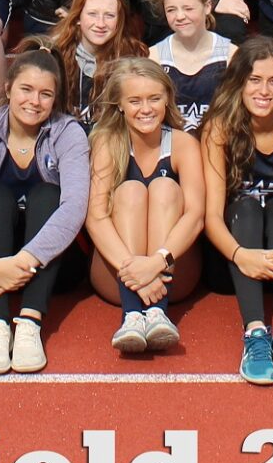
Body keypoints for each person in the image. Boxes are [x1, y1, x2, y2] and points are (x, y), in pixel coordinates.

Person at [0, 48, 94, 375]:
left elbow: (74, 208)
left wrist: (21, 263)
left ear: (55, 99)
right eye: (26, 90)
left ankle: (29, 323)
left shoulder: (68, 133)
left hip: (52, 264)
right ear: (8, 88)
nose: (35, 101)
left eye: (46, 94)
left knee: (48, 194)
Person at [201, 38, 273, 386]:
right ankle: (254, 333)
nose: (264, 90)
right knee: (247, 208)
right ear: (239, 81)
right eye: (255, 80)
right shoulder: (220, 127)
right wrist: (241, 256)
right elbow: (211, 216)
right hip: (234, 253)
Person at [86, 58, 206, 354]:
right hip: (118, 275)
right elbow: (96, 217)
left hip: (171, 274)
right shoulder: (107, 142)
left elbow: (195, 216)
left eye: (154, 99)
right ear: (120, 105)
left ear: (167, 100)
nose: (146, 108)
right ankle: (131, 316)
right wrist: (136, 273)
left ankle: (157, 314)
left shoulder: (182, 143)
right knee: (130, 191)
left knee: (165, 187)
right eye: (135, 100)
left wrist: (155, 263)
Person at [44, 0, 148, 127]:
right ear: (78, 17)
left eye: (109, 16)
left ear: (120, 20)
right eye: (92, 14)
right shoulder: (55, 52)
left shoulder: (135, 55)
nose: (100, 24)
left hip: (113, 138)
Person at [148, 0, 237, 132]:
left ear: (208, 6)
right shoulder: (154, 58)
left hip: (220, 146)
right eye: (171, 10)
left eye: (188, 8)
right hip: (173, 149)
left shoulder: (231, 55)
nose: (180, 16)